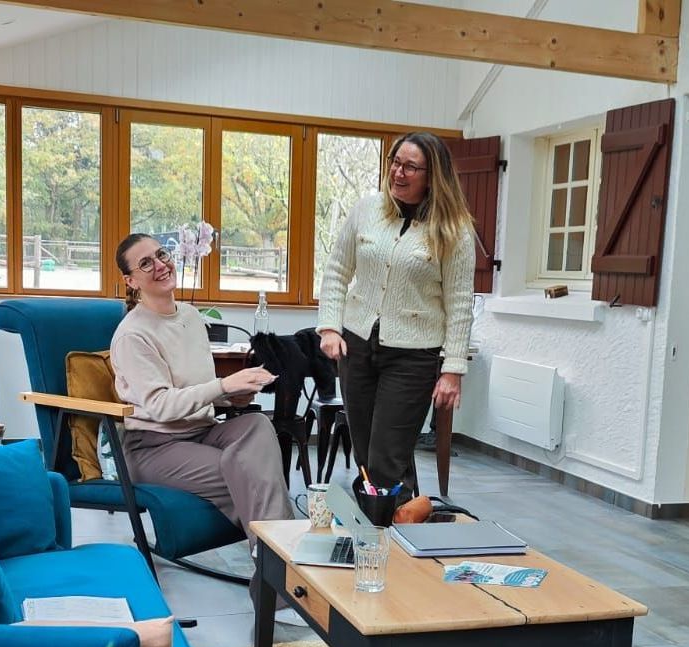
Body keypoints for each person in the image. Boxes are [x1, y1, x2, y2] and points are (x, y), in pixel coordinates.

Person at [315, 131, 475, 502]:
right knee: (367, 456)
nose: (398, 173)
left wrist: (452, 370)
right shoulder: (366, 210)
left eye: (410, 167)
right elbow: (337, 270)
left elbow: (460, 303)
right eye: (394, 162)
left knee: (387, 458)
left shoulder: (454, 231)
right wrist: (329, 328)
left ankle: (383, 539)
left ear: (433, 176)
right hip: (356, 348)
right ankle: (394, 531)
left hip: (412, 356)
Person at [110, 232, 295, 547]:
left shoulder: (191, 316)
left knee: (257, 424)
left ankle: (277, 560)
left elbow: (197, 390)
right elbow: (160, 406)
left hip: (202, 431)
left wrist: (232, 395)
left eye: (161, 254)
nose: (160, 265)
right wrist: (223, 384)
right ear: (131, 282)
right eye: (145, 263)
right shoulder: (133, 335)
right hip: (155, 447)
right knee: (250, 474)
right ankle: (280, 566)